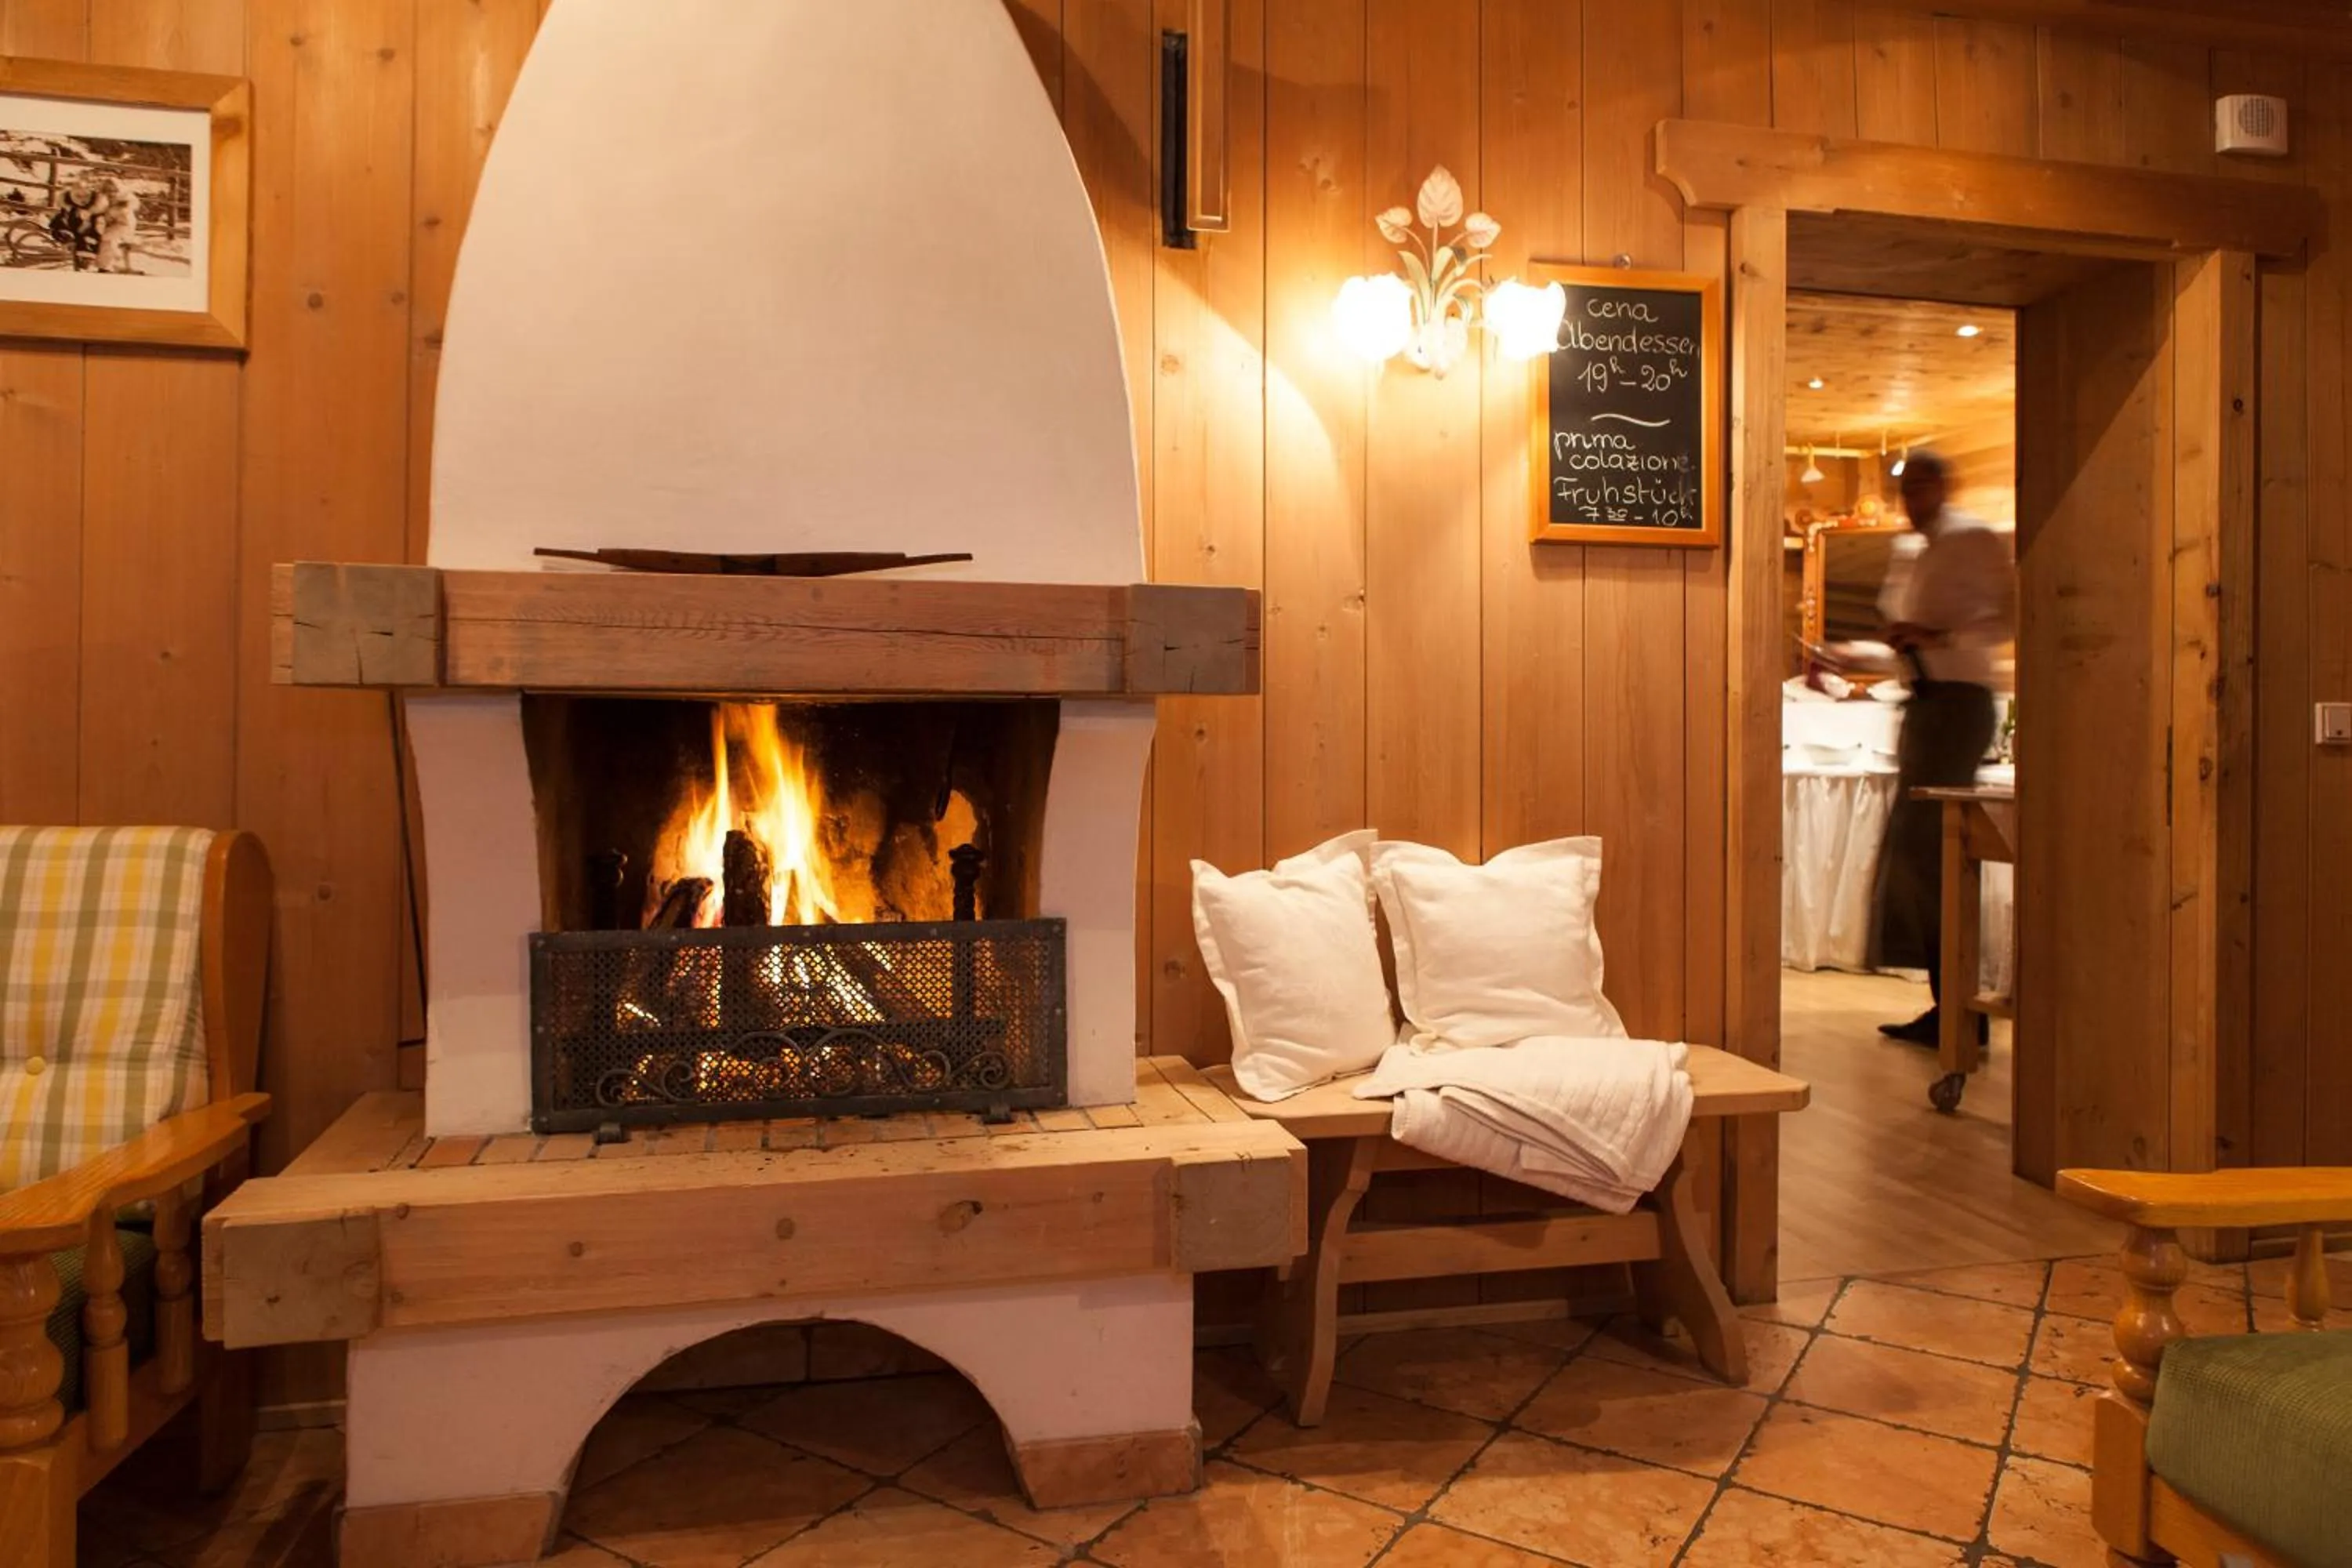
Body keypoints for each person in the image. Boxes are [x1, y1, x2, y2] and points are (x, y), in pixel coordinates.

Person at [1865, 452, 2016, 1045]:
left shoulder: (1971, 536)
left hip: (1957, 707)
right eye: (1904, 490)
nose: (1910, 501)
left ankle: (1961, 1011)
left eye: (1920, 488)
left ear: (1944, 486)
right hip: (1925, 704)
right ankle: (1949, 1006)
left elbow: (2006, 620)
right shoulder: (1915, 549)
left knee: (1936, 858)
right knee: (1919, 862)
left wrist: (1937, 635)